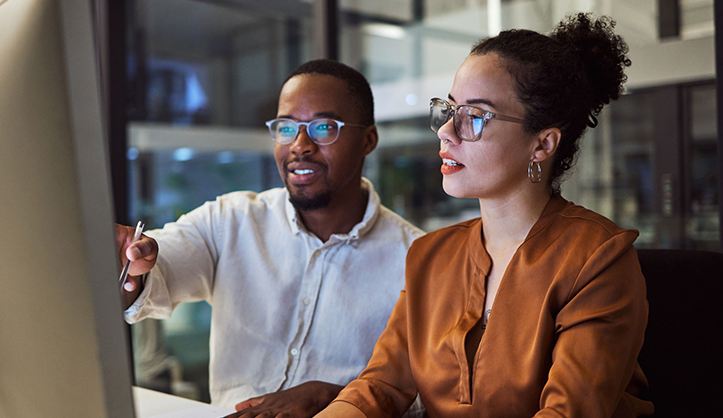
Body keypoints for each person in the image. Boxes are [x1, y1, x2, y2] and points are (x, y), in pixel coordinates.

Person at [317, 13, 654, 418]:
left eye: (474, 117)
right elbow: (378, 389)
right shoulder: (430, 256)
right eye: (448, 109)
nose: (445, 131)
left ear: (542, 144)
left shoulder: (597, 258)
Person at [116, 59, 425, 416]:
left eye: (324, 127)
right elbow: (160, 271)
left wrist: (331, 396)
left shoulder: (416, 260)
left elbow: (427, 399)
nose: (300, 145)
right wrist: (133, 261)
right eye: (286, 127)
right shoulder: (230, 220)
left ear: (367, 140)